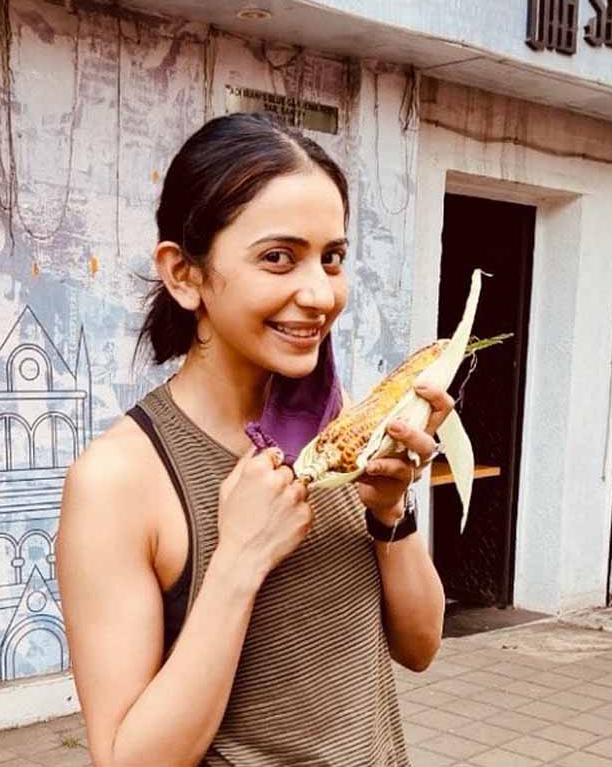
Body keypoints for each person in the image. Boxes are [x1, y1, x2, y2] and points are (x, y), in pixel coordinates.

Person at [57, 112, 452, 767]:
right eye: (278, 258)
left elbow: (420, 645)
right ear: (184, 274)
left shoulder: (336, 426)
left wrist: (390, 512)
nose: (320, 294)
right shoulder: (119, 481)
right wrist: (240, 559)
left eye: (332, 258)